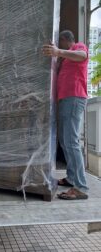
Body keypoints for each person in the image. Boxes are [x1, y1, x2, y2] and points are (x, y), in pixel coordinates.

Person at [42, 30, 89, 200]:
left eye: (59, 44)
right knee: (65, 140)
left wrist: (59, 52)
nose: (58, 47)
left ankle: (81, 187)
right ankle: (71, 178)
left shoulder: (78, 46)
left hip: (74, 98)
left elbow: (82, 55)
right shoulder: (65, 58)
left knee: (71, 141)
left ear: (65, 40)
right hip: (66, 101)